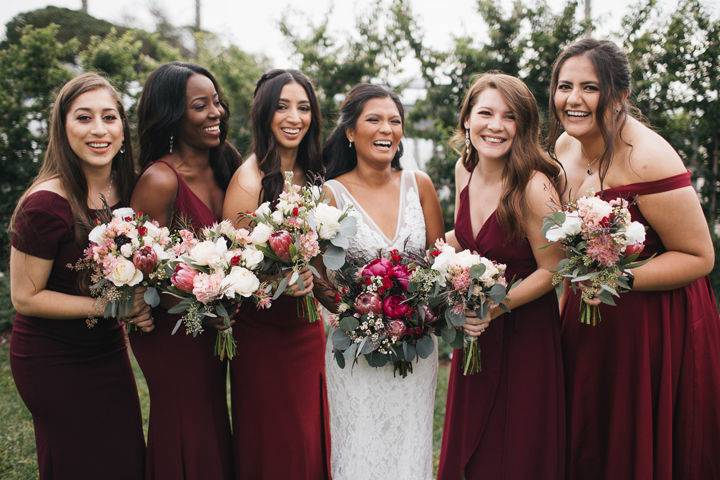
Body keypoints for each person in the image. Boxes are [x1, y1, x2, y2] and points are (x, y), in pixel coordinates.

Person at [548, 38, 720, 479]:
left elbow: (699, 256)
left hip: (651, 330)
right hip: (587, 321)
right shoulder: (565, 146)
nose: (574, 99)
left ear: (619, 95)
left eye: (590, 87)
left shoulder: (647, 158)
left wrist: (613, 279)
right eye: (565, 86)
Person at [9, 72, 149, 479]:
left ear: (123, 127)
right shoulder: (44, 205)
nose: (99, 130)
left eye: (109, 117)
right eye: (84, 118)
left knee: (125, 460)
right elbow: (26, 296)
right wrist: (114, 306)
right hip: (51, 359)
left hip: (105, 352)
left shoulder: (128, 191)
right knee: (79, 463)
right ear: (63, 127)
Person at [437, 73, 566, 479]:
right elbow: (467, 238)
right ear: (467, 120)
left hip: (523, 334)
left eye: (508, 117)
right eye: (485, 113)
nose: (495, 125)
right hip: (475, 330)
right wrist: (434, 261)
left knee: (514, 451)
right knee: (473, 448)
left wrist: (496, 307)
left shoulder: (533, 186)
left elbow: (554, 268)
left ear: (523, 126)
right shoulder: (465, 170)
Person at [321, 83, 444, 479]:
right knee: (359, 445)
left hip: (417, 348)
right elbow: (318, 276)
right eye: (373, 119)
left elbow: (439, 262)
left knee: (410, 444)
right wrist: (356, 315)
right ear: (351, 132)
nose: (386, 129)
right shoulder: (330, 196)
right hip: (355, 351)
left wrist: (420, 316)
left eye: (395, 120)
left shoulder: (419, 185)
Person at [130, 62, 240, 480]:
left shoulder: (226, 164)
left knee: (212, 422)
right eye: (201, 105)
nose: (216, 112)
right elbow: (137, 266)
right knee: (187, 426)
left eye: (216, 101)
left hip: (215, 326)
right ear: (173, 115)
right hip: (171, 334)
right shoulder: (160, 180)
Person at [222, 69, 330, 479]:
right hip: (263, 335)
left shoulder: (312, 174)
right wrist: (280, 284)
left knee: (306, 436)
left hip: (305, 332)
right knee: (276, 441)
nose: (294, 117)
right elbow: (232, 271)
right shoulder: (249, 181)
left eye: (303, 108)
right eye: (282, 106)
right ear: (264, 113)